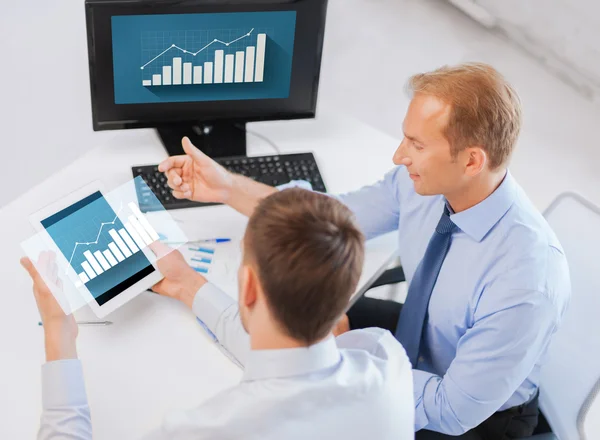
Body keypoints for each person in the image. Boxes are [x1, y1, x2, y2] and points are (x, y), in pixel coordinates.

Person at [158, 62, 571, 439]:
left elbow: (452, 409)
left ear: (471, 161)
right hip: (416, 342)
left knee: (296, 351)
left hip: (477, 418)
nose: (398, 155)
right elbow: (323, 219)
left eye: (416, 144)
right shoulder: (424, 186)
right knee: (293, 320)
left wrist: (334, 368)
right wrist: (226, 187)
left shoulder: (526, 280)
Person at [22, 188, 415, 440]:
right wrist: (187, 284)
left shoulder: (207, 429)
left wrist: (58, 334)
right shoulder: (387, 360)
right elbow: (294, 361)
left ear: (246, 287)